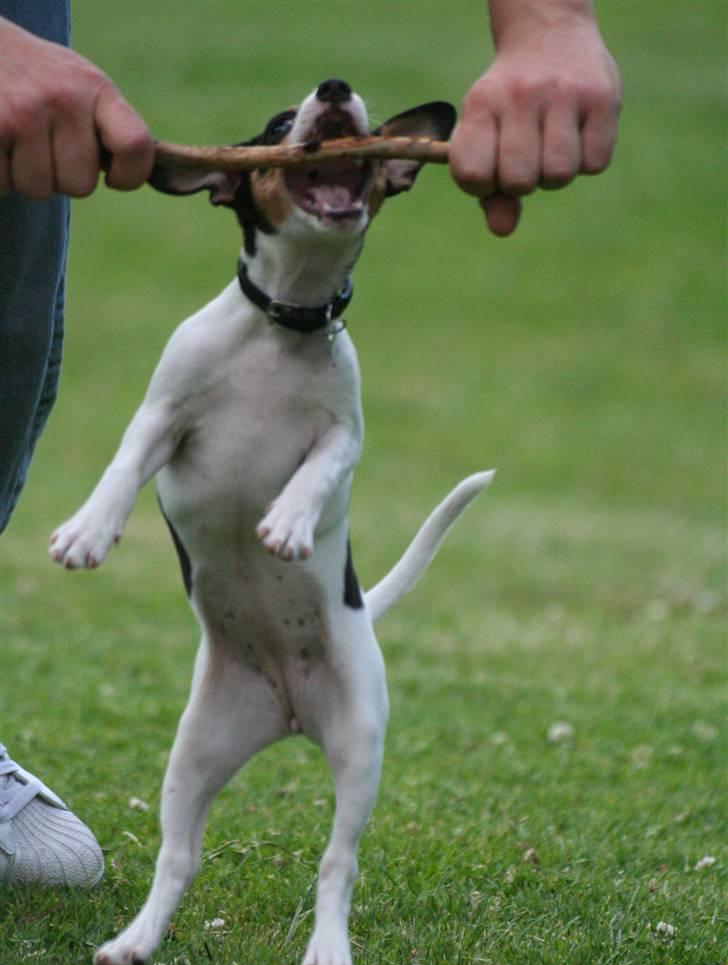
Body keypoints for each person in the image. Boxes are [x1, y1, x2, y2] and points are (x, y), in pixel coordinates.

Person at [0, 0, 621, 885]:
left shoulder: (338, 363)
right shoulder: (201, 341)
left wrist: (547, 17)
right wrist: (107, 509)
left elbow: (343, 445)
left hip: (309, 612)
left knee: (10, 319)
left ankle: (332, 881)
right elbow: (150, 429)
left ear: (387, 179)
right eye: (290, 136)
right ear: (237, 182)